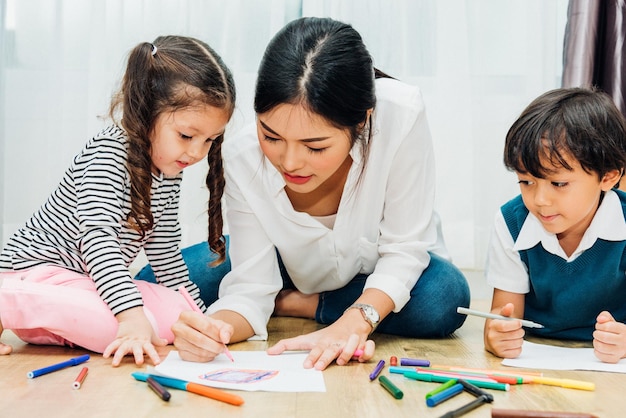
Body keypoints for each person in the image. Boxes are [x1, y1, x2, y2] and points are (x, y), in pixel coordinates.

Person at [137, 17, 470, 371]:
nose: (290, 162)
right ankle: (299, 299)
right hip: (280, 261)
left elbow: (404, 249)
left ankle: (303, 304)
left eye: (314, 146)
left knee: (443, 297)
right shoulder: (243, 154)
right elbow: (251, 286)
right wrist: (213, 332)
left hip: (375, 267)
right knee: (148, 287)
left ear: (361, 121)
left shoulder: (400, 115)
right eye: (272, 137)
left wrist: (353, 323)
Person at [0, 35, 236, 366]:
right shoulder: (109, 153)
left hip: (88, 283)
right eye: (186, 136)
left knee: (179, 316)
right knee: (126, 326)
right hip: (39, 272)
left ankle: (64, 324)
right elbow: (97, 242)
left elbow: (165, 252)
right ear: (147, 111)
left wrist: (199, 318)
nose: (197, 152)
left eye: (209, 140)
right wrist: (130, 316)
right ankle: (7, 300)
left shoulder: (170, 166)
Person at [483, 87, 626, 363]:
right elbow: (501, 317)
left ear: (608, 177)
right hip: (536, 354)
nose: (540, 200)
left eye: (558, 184)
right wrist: (496, 336)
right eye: (526, 182)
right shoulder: (512, 221)